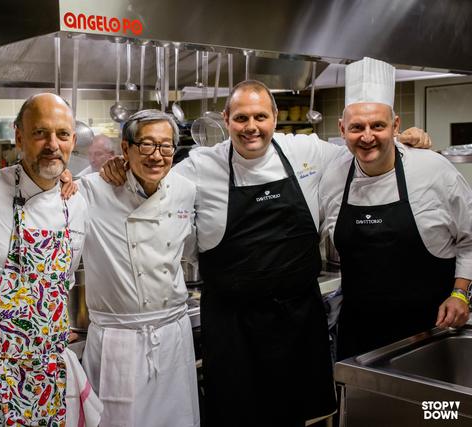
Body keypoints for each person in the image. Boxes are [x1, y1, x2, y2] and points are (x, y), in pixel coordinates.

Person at [100, 80, 431, 426]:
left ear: (274, 117)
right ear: (226, 119)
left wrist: (404, 142)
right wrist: (121, 167)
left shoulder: (306, 151)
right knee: (236, 417)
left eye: (260, 117)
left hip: (298, 320)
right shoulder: (200, 166)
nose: (251, 127)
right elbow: (151, 184)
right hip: (231, 325)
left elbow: (364, 150)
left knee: (294, 417)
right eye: (241, 118)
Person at [0, 93, 101, 426]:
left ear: (73, 141)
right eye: (40, 133)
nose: (52, 144)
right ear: (19, 137)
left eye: (62, 134)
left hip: (48, 382)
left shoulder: (76, 204)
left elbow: (63, 279)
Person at [319, 57, 472, 360]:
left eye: (378, 125)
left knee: (428, 393)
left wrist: (460, 294)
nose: (367, 136)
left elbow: (469, 240)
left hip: (430, 328)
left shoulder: (434, 169)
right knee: (361, 393)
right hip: (359, 333)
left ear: (396, 126)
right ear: (342, 129)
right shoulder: (333, 174)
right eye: (356, 127)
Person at [78, 110, 199, 427]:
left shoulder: (186, 190)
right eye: (146, 145)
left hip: (173, 336)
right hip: (119, 340)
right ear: (125, 148)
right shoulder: (91, 190)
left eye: (166, 146)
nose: (156, 156)